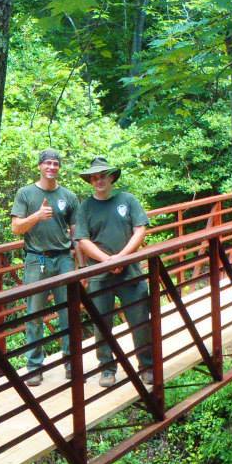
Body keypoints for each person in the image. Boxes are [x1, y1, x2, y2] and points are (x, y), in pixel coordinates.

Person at [73, 157, 152, 388]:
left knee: (140, 321)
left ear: (111, 177)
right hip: (100, 274)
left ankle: (146, 366)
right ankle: (107, 368)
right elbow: (82, 240)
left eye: (102, 176)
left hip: (130, 272)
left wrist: (121, 257)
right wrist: (107, 261)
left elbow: (140, 230)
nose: (99, 180)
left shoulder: (127, 200)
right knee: (102, 324)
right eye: (94, 177)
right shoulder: (85, 207)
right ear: (90, 181)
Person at [10, 149, 79, 386]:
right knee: (34, 313)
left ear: (59, 167)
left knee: (69, 312)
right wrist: (37, 216)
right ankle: (34, 367)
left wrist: (81, 264)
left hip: (64, 259)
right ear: (39, 166)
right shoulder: (26, 193)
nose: (51, 167)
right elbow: (16, 228)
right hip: (36, 259)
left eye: (55, 164)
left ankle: (71, 363)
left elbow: (76, 232)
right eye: (47, 163)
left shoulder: (68, 196)